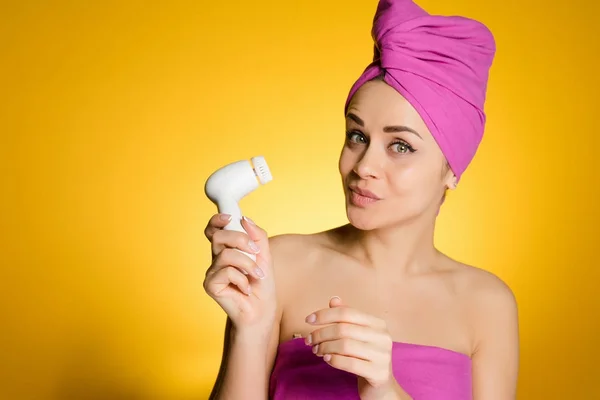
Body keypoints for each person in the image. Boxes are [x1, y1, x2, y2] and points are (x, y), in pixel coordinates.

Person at [203, 0, 519, 399]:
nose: (364, 165)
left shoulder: (487, 305)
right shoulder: (278, 265)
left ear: (452, 169)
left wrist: (384, 390)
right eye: (358, 136)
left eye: (400, 146)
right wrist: (251, 330)